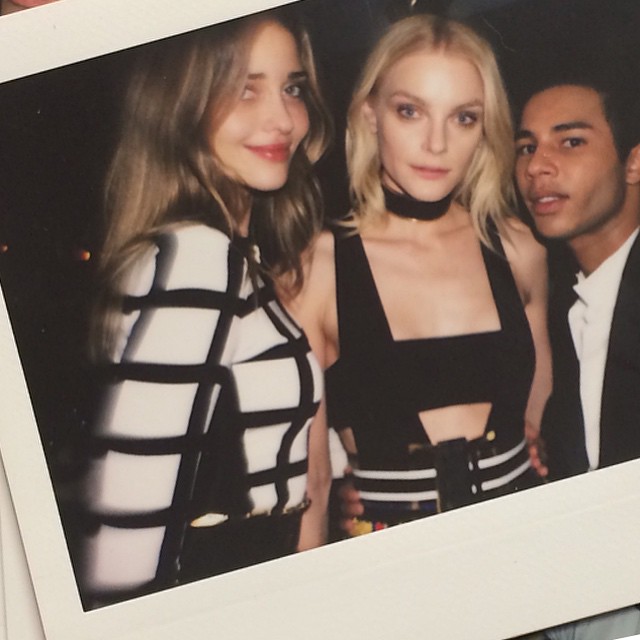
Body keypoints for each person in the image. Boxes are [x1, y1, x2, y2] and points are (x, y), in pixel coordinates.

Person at [77, 9, 332, 609]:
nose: (283, 118)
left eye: (293, 88)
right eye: (245, 88)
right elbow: (124, 548)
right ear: (180, 104)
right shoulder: (197, 258)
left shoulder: (225, 255)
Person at [288, 14, 551, 537]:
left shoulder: (519, 249)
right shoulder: (318, 267)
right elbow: (310, 484)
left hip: (521, 539)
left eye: (463, 118)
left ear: (485, 129)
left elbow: (537, 419)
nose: (436, 143)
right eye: (410, 111)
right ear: (370, 116)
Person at [514, 77, 640, 640]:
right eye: (526, 147)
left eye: (570, 142)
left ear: (634, 163)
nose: (537, 167)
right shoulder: (560, 306)